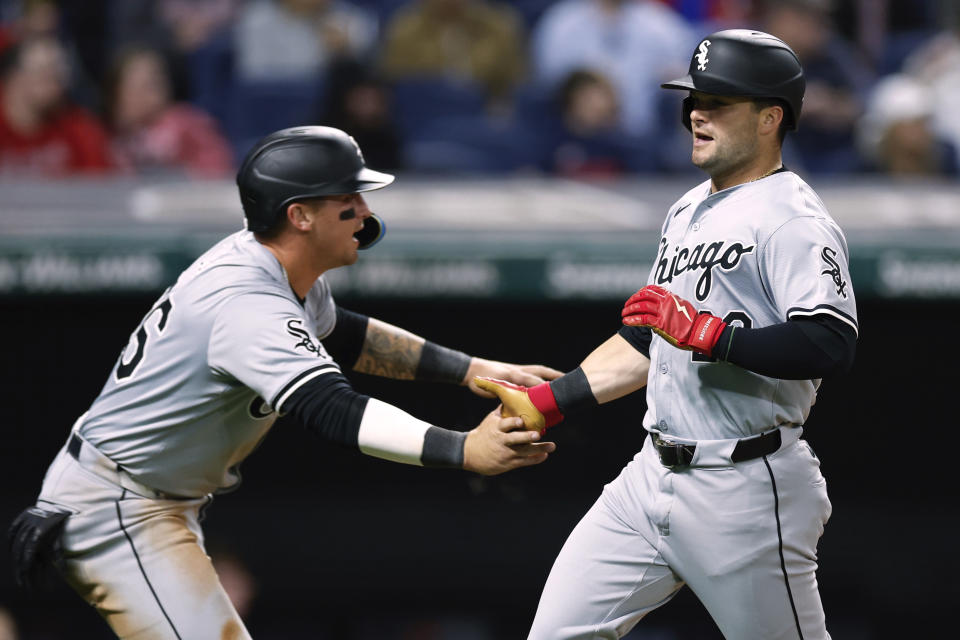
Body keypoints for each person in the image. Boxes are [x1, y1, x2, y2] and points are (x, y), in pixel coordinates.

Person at [7, 126, 560, 639]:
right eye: (349, 200)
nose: (365, 212)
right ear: (300, 216)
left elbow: (346, 335)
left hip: (143, 493)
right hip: (122, 507)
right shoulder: (248, 305)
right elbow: (334, 409)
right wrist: (463, 448)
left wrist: (470, 370)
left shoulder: (277, 266)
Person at [478, 30, 858, 639]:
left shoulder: (795, 219)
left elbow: (830, 344)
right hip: (648, 475)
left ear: (770, 118)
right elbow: (648, 343)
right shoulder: (686, 209)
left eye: (718, 102)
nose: (696, 114)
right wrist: (550, 401)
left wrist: (713, 337)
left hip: (747, 487)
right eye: (693, 100)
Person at [103, 44, 235, 178]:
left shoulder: (187, 123)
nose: (149, 94)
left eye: (155, 82)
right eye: (138, 86)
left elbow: (219, 168)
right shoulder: (103, 135)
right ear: (117, 92)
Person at [0, 34, 115, 175]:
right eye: (45, 73)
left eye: (59, 74)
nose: (56, 84)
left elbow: (101, 185)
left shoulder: (80, 130)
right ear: (13, 78)